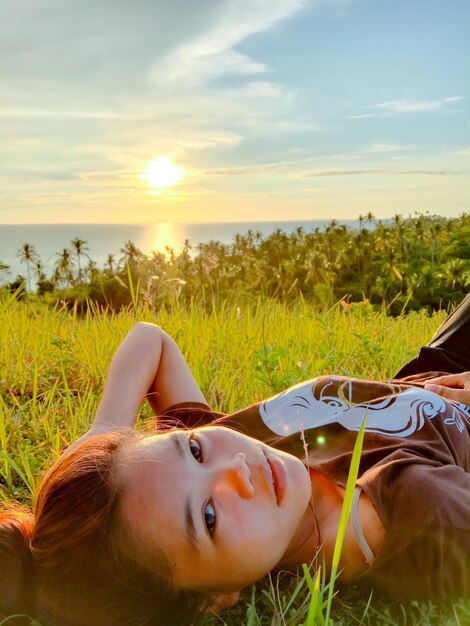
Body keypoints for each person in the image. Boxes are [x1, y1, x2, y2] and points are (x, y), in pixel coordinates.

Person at [0, 296, 469, 626]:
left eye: (194, 448)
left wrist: (106, 432)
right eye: (207, 517)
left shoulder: (238, 448)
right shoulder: (424, 512)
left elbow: (150, 339)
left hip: (430, 366)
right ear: (213, 600)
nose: (236, 471)